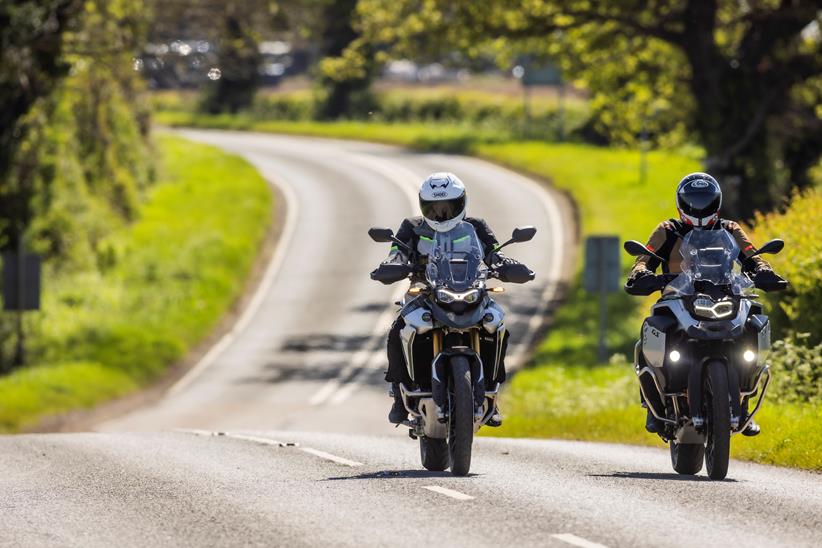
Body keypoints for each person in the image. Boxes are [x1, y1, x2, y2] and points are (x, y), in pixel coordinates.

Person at [627, 172, 784, 436]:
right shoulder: (668, 229)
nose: (699, 208)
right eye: (693, 201)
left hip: (726, 295)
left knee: (755, 322)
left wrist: (763, 270)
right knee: (652, 330)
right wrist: (640, 272)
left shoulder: (730, 229)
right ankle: (655, 407)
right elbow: (645, 257)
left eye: (705, 201)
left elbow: (751, 254)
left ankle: (742, 404)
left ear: (716, 202)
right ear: (681, 203)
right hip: (678, 297)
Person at [381, 172, 518, 426]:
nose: (441, 214)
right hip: (423, 290)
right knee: (397, 329)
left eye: (448, 207)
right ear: (422, 205)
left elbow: (495, 251)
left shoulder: (476, 226)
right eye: (433, 208)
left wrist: (506, 263)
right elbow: (396, 251)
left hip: (471, 287)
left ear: (462, 203)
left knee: (498, 326)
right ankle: (399, 398)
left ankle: (492, 395)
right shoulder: (411, 227)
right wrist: (392, 264)